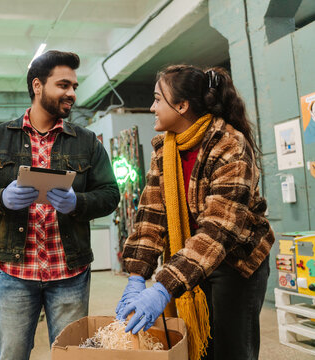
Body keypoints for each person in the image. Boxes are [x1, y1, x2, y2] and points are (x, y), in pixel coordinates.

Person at [0, 50, 120, 360]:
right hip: (16, 273)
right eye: (63, 85)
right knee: (12, 355)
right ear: (37, 86)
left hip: (69, 273)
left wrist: (77, 203)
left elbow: (111, 194)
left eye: (74, 86)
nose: (71, 93)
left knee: (70, 354)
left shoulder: (86, 142)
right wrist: (1, 198)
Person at [115, 65, 275, 360]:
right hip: (191, 258)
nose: (152, 107)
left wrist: (163, 286)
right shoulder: (164, 149)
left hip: (234, 260)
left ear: (182, 105)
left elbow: (219, 230)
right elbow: (151, 215)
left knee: (230, 350)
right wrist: (137, 275)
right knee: (198, 349)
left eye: (157, 99)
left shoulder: (230, 146)